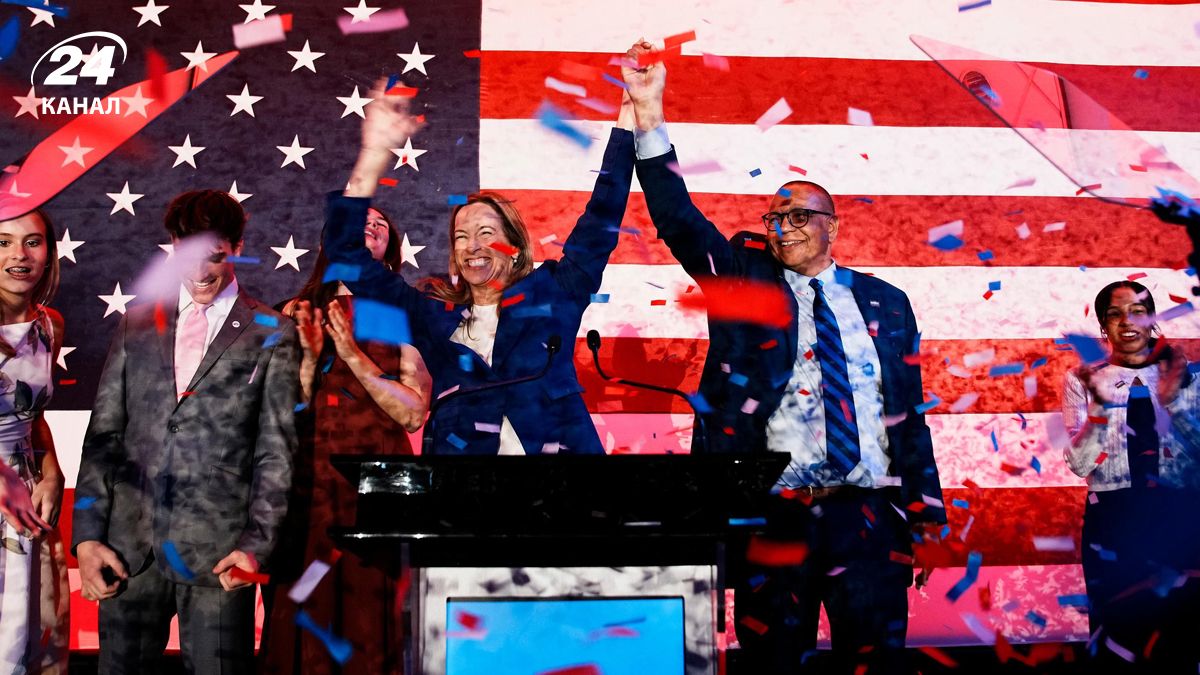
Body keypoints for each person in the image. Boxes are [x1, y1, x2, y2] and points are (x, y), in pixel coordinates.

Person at [620, 41, 945, 674]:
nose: (783, 227)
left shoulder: (887, 302)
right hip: (776, 516)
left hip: (868, 517)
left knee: (875, 665)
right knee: (772, 664)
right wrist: (649, 111)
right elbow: (678, 218)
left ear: (833, 226)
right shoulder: (745, 283)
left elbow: (908, 418)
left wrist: (927, 517)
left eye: (799, 216)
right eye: (773, 218)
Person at [321, 81, 636, 455]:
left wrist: (629, 117)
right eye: (461, 236)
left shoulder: (555, 292)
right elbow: (345, 254)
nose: (472, 246)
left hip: (561, 482)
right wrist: (374, 154)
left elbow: (602, 217)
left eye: (486, 233)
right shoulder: (430, 315)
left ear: (515, 249)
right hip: (465, 485)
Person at [71, 190, 300, 674]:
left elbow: (276, 452)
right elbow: (103, 438)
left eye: (213, 256)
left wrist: (255, 547)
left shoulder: (271, 331)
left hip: (220, 557)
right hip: (129, 552)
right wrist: (87, 539)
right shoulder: (136, 323)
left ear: (237, 247)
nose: (199, 271)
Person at [260, 206, 431, 675]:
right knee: (305, 598)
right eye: (359, 222)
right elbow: (277, 412)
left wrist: (354, 356)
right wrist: (309, 361)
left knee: (372, 604)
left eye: (380, 225)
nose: (369, 227)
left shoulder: (402, 315)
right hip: (309, 479)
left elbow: (413, 414)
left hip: (381, 482)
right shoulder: (292, 312)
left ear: (390, 249)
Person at [1062, 280, 1200, 671]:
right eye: (1115, 314)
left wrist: (1174, 403)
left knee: (1180, 631)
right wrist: (1101, 408)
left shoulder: (1187, 374)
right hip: (1113, 515)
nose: (1127, 322)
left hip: (1178, 513)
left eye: (1138, 311)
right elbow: (1079, 464)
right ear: (1103, 326)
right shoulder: (1082, 379)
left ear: (1152, 319)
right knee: (1116, 629)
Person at [0, 209, 68, 674]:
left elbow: (32, 415)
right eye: (3, 242)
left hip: (27, 498)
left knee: (25, 638)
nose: (19, 255)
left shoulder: (50, 325)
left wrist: (52, 471)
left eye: (32, 241)